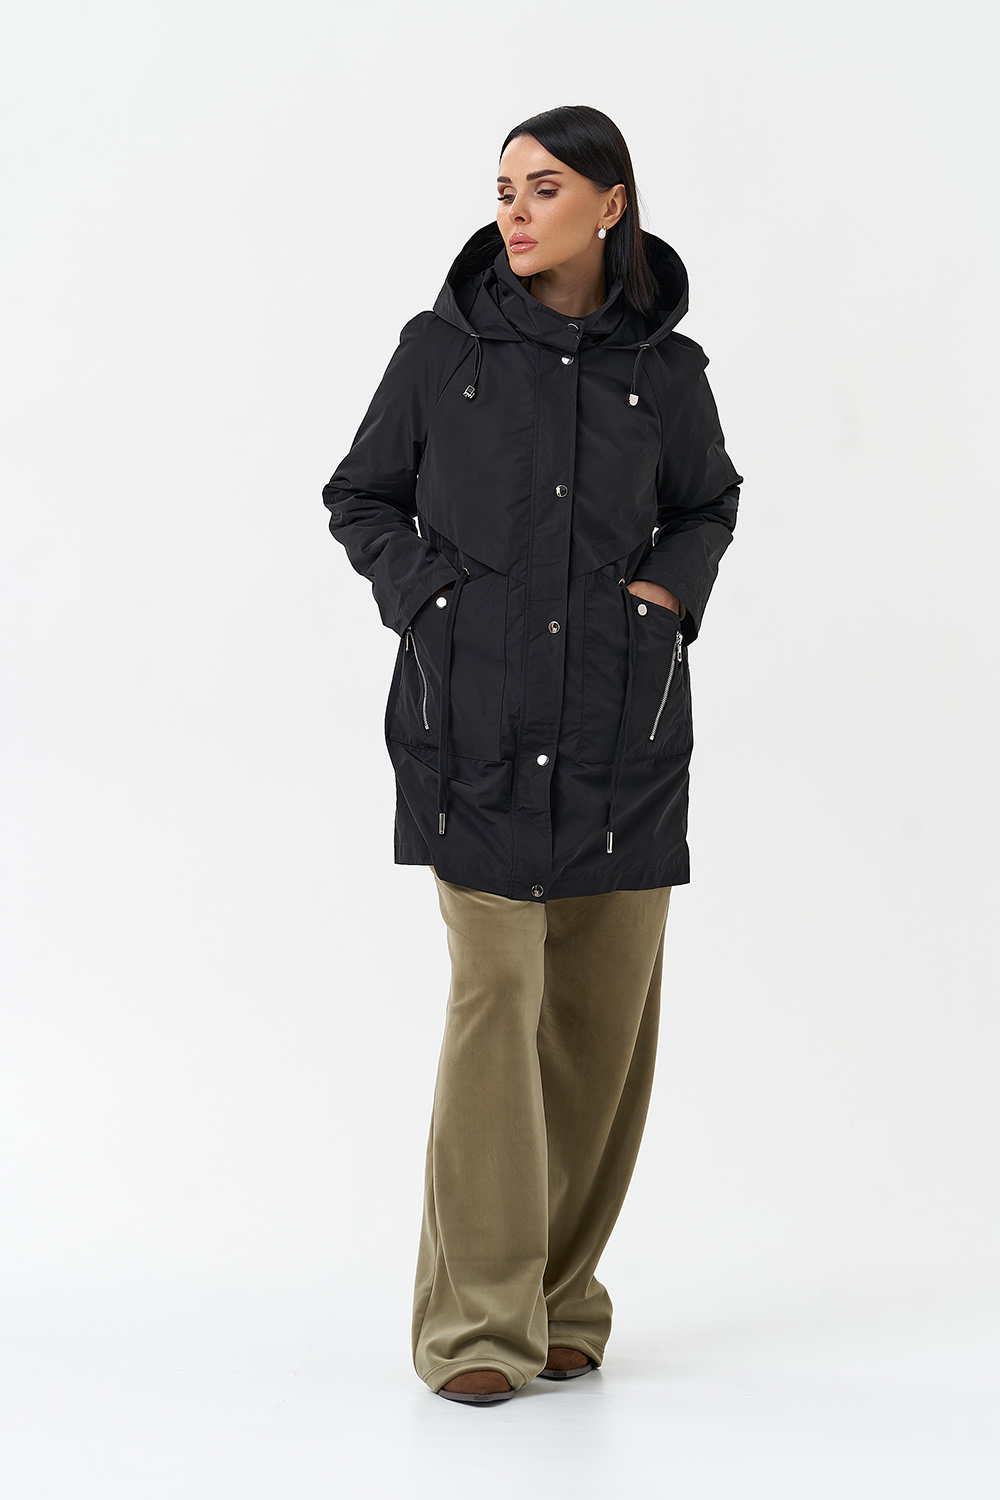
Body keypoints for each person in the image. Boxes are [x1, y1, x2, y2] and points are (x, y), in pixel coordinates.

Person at [322, 104, 743, 1406]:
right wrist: (430, 601)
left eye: (544, 186)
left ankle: (561, 1298)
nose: (513, 209)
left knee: (600, 1034)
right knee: (495, 1011)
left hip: (623, 736)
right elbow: (360, 494)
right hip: (477, 728)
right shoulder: (440, 352)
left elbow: (707, 502)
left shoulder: (665, 373)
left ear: (612, 204)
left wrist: (665, 599)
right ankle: (474, 1327)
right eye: (504, 187)